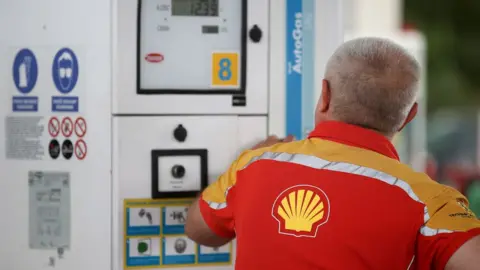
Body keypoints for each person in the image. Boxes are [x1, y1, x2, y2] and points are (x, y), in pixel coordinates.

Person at [185, 37, 480, 269]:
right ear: (408, 116)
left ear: (324, 94)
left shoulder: (253, 166)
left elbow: (199, 230)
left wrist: (246, 160)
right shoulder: (430, 202)